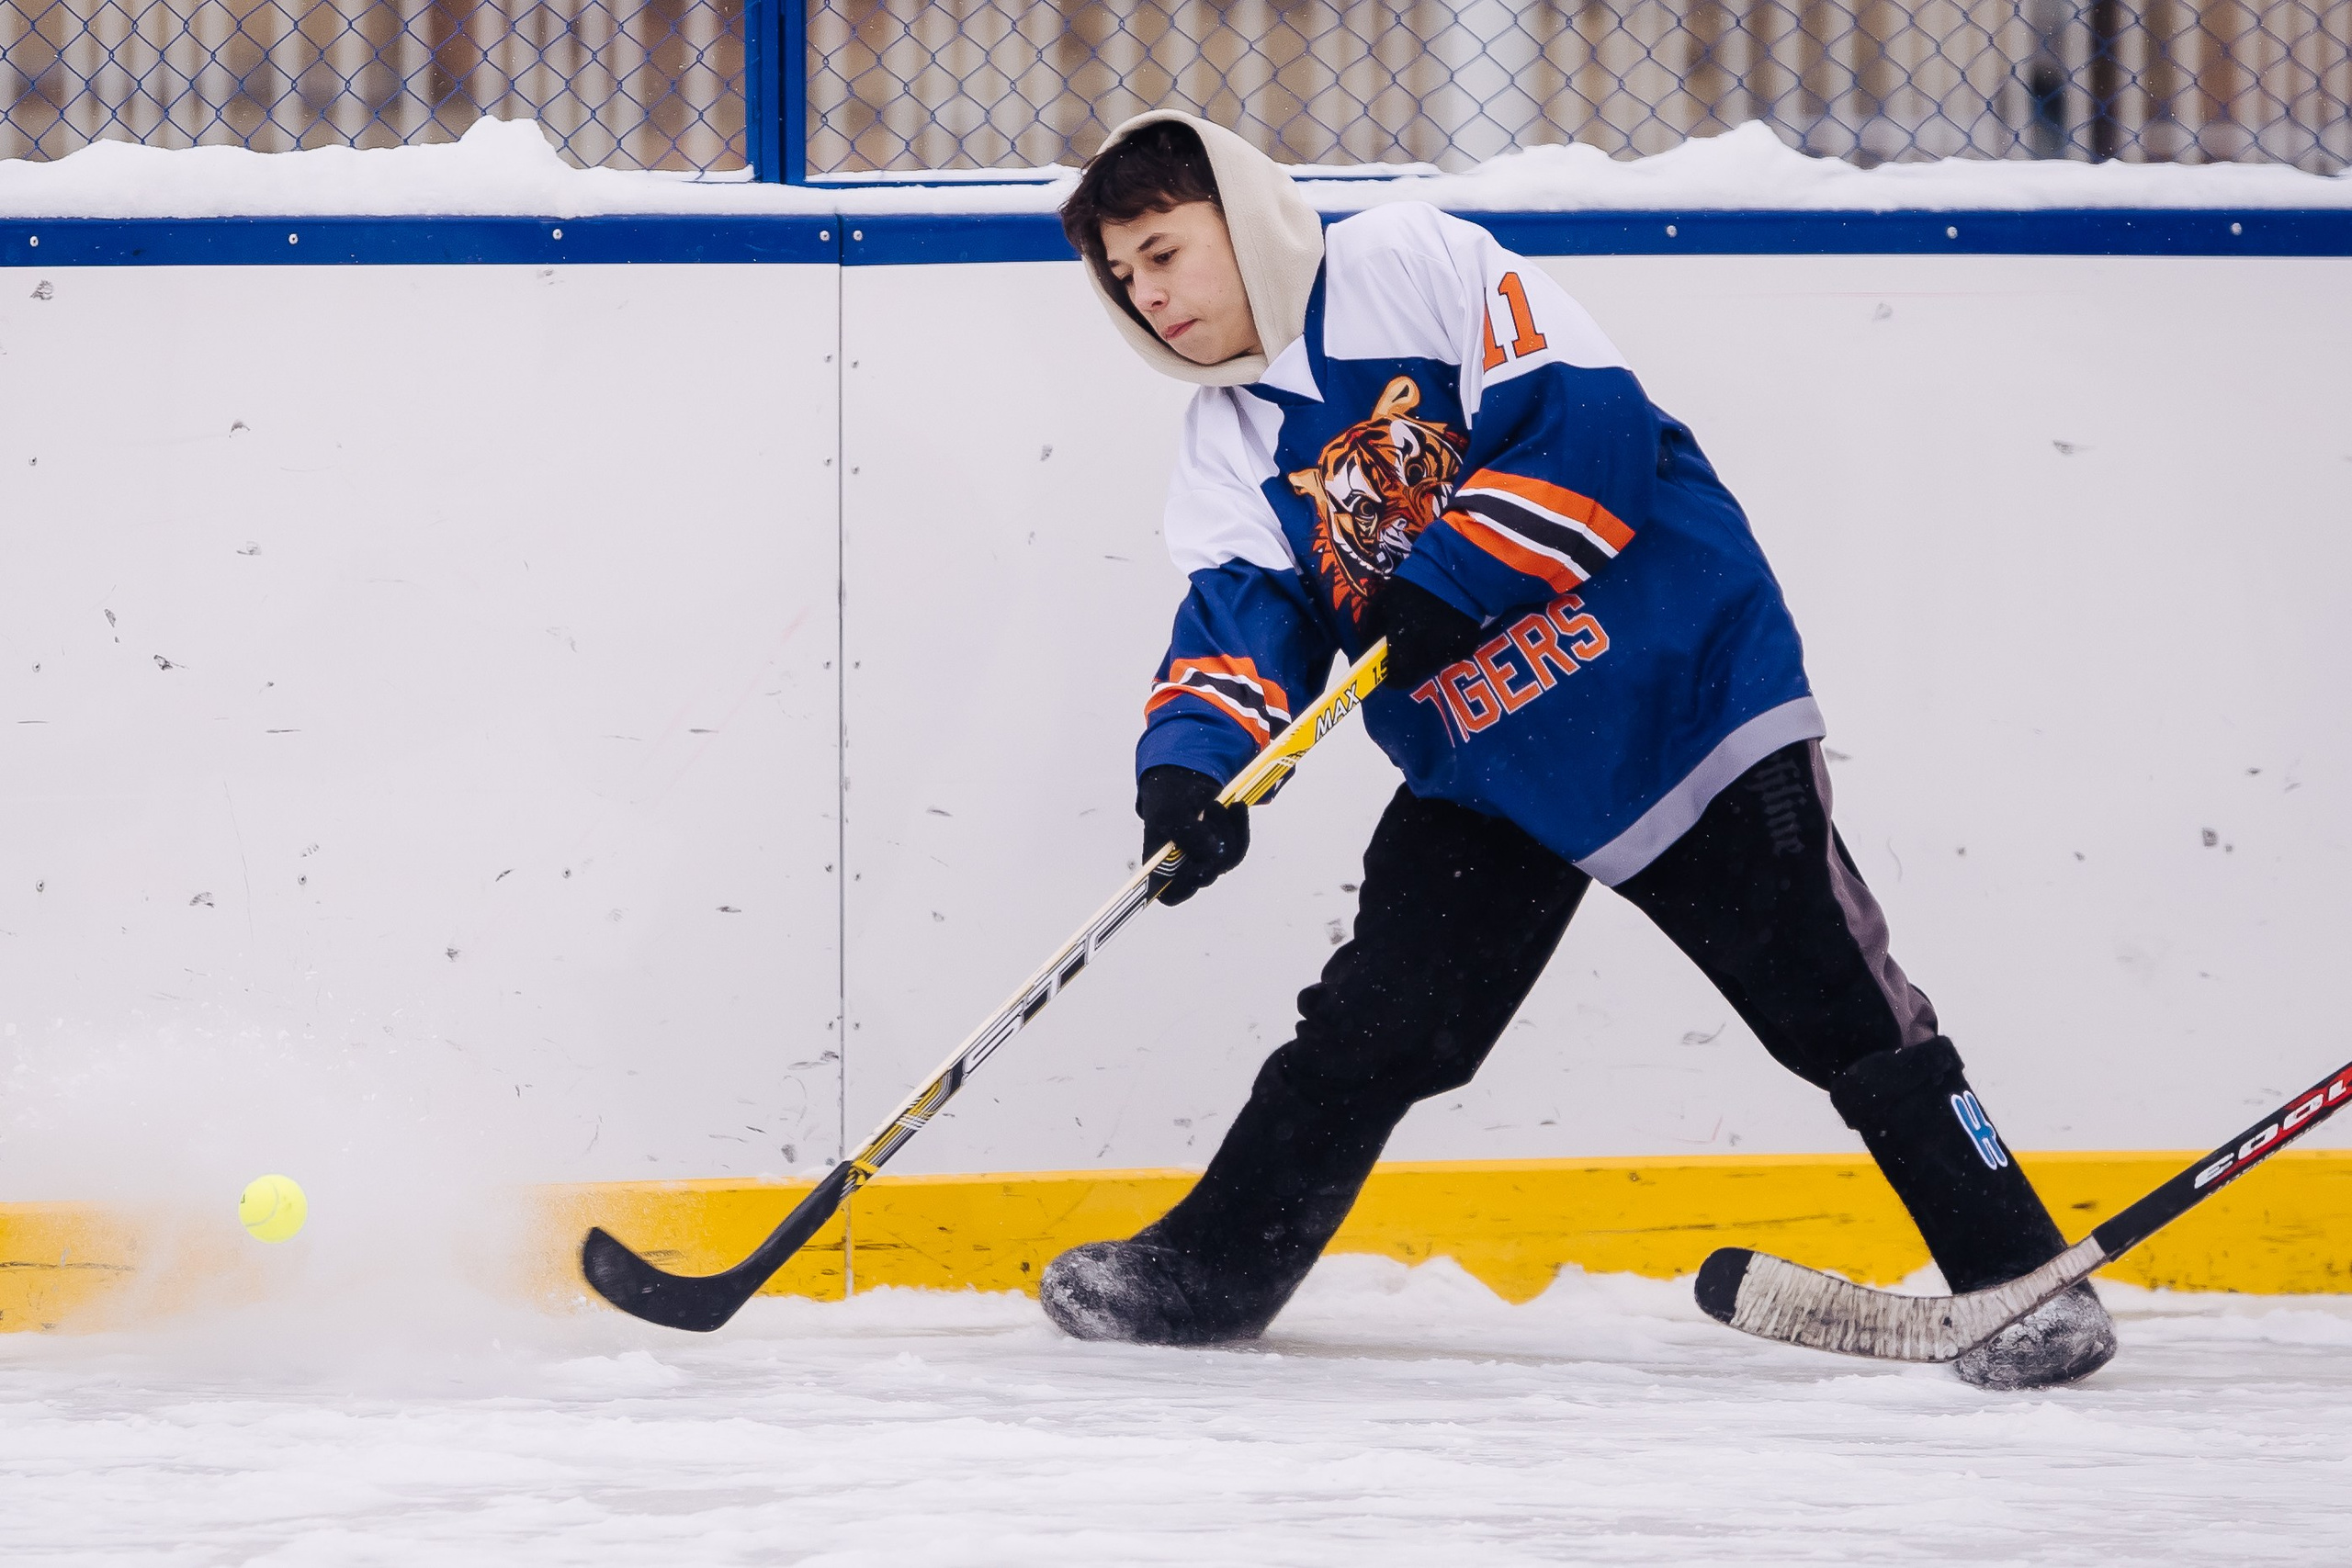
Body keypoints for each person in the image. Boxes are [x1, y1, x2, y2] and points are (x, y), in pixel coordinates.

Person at [1039, 110, 2115, 1391]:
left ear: (1243, 215)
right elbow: (1240, 623)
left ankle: (2024, 1272)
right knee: (1380, 1017)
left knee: (1831, 996)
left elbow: (1584, 428)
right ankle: (1213, 1269)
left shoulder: (1409, 264)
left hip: (1680, 691)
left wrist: (1446, 575)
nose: (1146, 296)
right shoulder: (1225, 442)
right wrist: (1194, 769)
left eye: (1163, 251)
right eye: (1122, 278)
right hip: (1493, 763)